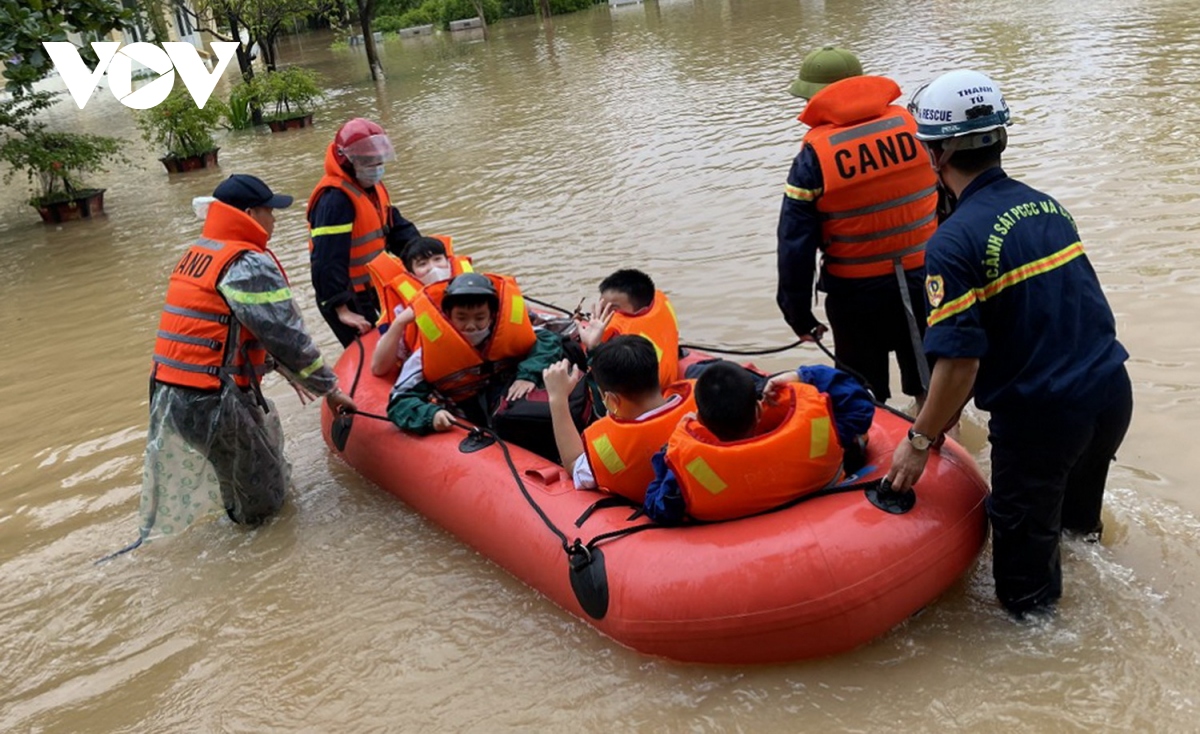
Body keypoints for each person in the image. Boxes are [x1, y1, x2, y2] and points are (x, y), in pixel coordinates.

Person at [886, 70, 1133, 617]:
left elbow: (960, 362)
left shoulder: (951, 243)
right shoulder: (1046, 205)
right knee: (1074, 532)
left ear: (937, 154)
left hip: (1045, 419)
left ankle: (1050, 676)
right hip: (1110, 394)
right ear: (1000, 138)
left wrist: (919, 440)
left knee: (1024, 595)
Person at [142, 174, 357, 534]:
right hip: (213, 400)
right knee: (266, 504)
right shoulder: (247, 263)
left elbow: (222, 333)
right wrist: (330, 391)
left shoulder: (201, 253)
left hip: (172, 396)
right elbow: (285, 336)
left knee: (240, 482)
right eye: (270, 211)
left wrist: (288, 373)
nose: (274, 219)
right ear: (249, 214)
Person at [776, 46, 938, 404]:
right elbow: (952, 201)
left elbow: (795, 246)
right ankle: (942, 447)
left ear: (817, 98)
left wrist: (798, 313)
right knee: (933, 385)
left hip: (857, 297)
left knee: (861, 393)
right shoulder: (919, 128)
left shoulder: (813, 158)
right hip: (926, 281)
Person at [643, 361, 872, 524]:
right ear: (759, 409)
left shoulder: (690, 469)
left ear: (700, 419)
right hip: (826, 509)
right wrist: (803, 375)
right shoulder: (820, 432)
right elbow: (860, 404)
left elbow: (659, 507)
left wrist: (670, 450)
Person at [386, 272, 564, 458]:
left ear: (492, 316)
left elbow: (549, 340)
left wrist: (528, 375)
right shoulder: (424, 357)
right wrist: (431, 415)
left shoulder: (511, 335)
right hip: (475, 414)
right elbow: (398, 402)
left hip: (515, 401)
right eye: (461, 318)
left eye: (479, 318)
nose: (471, 326)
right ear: (447, 316)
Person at [308, 117, 422, 346]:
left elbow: (396, 229)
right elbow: (326, 260)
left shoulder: (372, 189)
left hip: (372, 288)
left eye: (379, 160)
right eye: (369, 162)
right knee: (376, 348)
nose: (377, 167)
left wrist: (425, 258)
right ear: (349, 161)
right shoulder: (335, 200)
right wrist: (342, 309)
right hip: (347, 297)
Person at [543, 334, 695, 502]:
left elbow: (574, 464)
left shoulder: (613, 445)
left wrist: (557, 399)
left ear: (611, 400)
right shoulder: (700, 401)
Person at [369, 236, 473, 377]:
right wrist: (400, 322)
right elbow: (378, 369)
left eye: (437, 259)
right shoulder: (402, 310)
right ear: (411, 274)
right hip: (435, 373)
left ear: (448, 262)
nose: (433, 268)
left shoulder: (477, 291)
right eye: (422, 264)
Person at [578, 269, 681, 389]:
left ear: (639, 308)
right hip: (667, 376)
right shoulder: (658, 301)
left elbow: (605, 393)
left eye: (613, 309)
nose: (603, 314)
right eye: (602, 307)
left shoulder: (624, 341)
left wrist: (593, 348)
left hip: (642, 392)